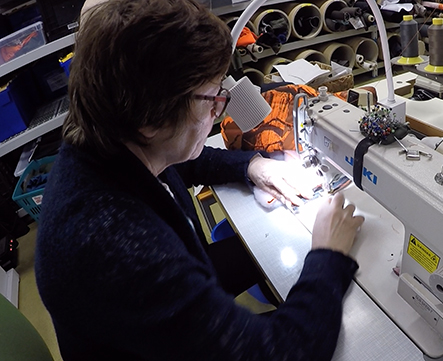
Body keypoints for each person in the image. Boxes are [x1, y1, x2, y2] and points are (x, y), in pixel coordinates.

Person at [35, 1, 365, 360]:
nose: (219, 108)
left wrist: (252, 167)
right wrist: (328, 256)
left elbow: (178, 162)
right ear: (151, 117)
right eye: (211, 99)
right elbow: (282, 353)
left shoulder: (107, 141)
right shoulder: (115, 246)